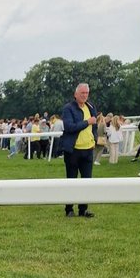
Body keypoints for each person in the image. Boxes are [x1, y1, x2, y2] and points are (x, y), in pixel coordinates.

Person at [59, 82, 98, 218]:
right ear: (75, 94)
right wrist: (87, 122)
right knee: (71, 180)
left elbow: (94, 126)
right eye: (82, 93)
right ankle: (69, 209)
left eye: (86, 93)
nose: (84, 95)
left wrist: (94, 139)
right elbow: (69, 127)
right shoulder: (68, 108)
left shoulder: (91, 107)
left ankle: (83, 209)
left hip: (88, 150)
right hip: (73, 150)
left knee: (86, 181)